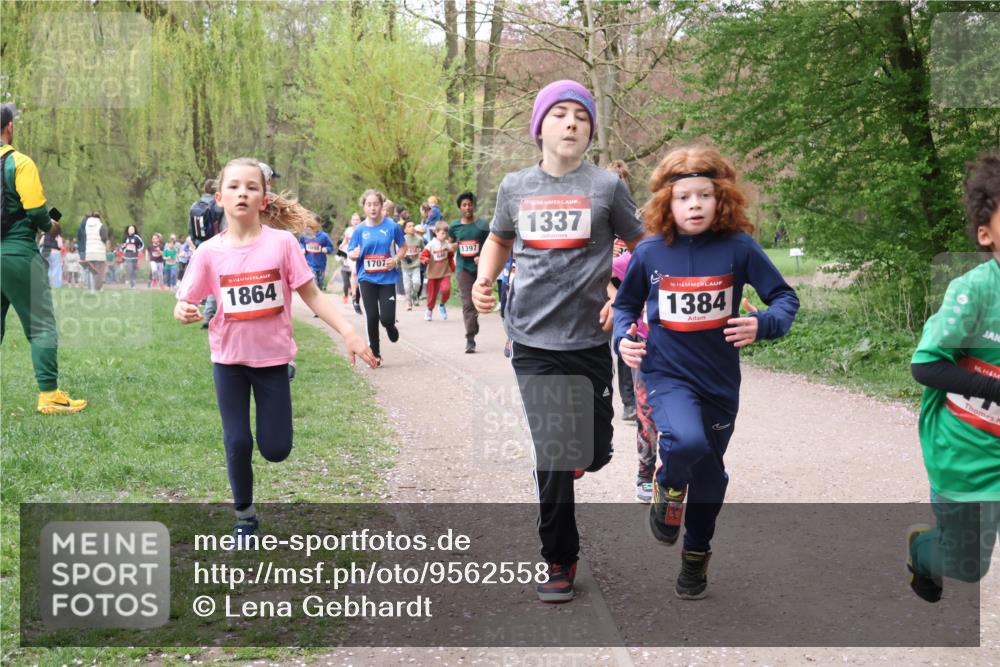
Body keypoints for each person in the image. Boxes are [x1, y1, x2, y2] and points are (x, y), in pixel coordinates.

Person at [471, 80, 645, 602]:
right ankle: (559, 559)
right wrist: (484, 279)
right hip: (531, 338)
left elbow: (643, 248)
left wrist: (625, 298)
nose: (570, 123)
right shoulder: (514, 186)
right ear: (540, 126)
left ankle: (581, 454)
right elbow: (500, 239)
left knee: (592, 454)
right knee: (552, 451)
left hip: (589, 339)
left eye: (581, 117)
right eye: (560, 114)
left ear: (590, 131)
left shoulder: (607, 188)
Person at [614, 146, 799, 600]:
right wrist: (624, 337)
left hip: (719, 381)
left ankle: (696, 557)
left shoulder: (739, 248)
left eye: (703, 196)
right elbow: (623, 305)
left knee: (712, 475)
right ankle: (668, 484)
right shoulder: (652, 251)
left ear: (722, 199)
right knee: (686, 442)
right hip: (666, 373)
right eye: (683, 198)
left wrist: (763, 324)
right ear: (666, 204)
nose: (694, 205)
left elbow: (785, 299)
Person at [175, 157, 375, 539]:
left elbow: (312, 295)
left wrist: (348, 331)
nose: (242, 193)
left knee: (276, 449)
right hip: (228, 361)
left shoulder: (282, 244)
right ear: (219, 198)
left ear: (264, 200)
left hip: (271, 361)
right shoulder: (208, 254)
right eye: (233, 186)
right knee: (236, 440)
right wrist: (182, 310)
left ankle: (286, 372)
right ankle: (244, 517)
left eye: (251, 187)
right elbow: (185, 300)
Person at [907, 151, 1000, 604]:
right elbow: (925, 366)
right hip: (966, 452)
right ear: (986, 236)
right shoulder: (975, 291)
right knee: (967, 566)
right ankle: (926, 551)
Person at [0, 102, 87, 413]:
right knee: (41, 325)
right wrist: (50, 224)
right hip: (17, 252)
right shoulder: (19, 163)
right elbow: (37, 211)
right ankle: (49, 395)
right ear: (9, 127)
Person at [611, 246, 656, 503]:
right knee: (648, 416)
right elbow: (601, 268)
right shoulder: (641, 254)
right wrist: (614, 299)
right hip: (647, 347)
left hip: (691, 351)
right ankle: (645, 475)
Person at [347, 189, 407, 367]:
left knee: (386, 318)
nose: (373, 208)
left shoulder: (392, 226)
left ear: (382, 206)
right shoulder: (359, 230)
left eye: (376, 204)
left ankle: (390, 326)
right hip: (367, 278)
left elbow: (403, 247)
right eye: (369, 204)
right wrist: (353, 254)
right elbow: (350, 252)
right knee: (371, 316)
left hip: (387, 278)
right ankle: (376, 353)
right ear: (364, 207)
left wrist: (395, 259)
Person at [606, 161, 638, 421]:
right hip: (601, 292)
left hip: (631, 292)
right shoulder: (597, 218)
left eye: (621, 182)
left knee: (628, 341)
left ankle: (630, 402)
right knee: (601, 349)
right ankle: (604, 395)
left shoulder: (636, 217)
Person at [449, 192, 491, 353]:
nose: (467, 207)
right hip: (463, 268)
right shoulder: (454, 226)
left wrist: (482, 256)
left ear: (474, 206)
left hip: (480, 268)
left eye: (470, 204)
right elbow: (451, 242)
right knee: (467, 303)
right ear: (460, 208)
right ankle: (470, 339)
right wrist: (450, 247)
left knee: (476, 303)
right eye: (464, 205)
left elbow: (491, 244)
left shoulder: (482, 225)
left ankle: (472, 324)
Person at [190, 178, 226, 326]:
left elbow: (190, 229)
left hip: (200, 244)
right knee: (217, 279)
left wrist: (196, 243)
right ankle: (210, 314)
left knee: (208, 278)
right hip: (216, 245)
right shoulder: (218, 205)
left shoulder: (195, 205)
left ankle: (206, 313)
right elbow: (224, 225)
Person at [420, 221, 455, 321]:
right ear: (436, 232)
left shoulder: (447, 244)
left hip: (445, 273)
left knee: (446, 290)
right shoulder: (430, 245)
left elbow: (450, 256)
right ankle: (429, 310)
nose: (444, 236)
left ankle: (442, 305)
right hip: (433, 275)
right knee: (432, 295)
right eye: (442, 233)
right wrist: (425, 260)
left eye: (445, 233)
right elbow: (423, 256)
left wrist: (452, 266)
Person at [299, 216, 334, 290]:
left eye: (314, 223)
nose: (311, 224)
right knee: (313, 284)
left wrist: (327, 249)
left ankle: (318, 294)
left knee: (319, 285)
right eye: (310, 222)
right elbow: (300, 243)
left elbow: (331, 248)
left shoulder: (324, 236)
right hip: (309, 263)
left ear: (319, 224)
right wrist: (302, 248)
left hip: (321, 265)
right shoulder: (305, 235)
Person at [77, 210, 109, 292]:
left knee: (91, 270)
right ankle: (97, 288)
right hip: (99, 252)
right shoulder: (101, 226)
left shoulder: (86, 226)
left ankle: (90, 286)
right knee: (99, 271)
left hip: (89, 251)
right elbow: (104, 237)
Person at [400, 218, 425, 310]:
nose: (412, 227)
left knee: (417, 283)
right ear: (405, 230)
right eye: (409, 226)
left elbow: (424, 250)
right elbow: (398, 251)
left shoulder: (419, 239)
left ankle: (414, 295)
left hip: (416, 265)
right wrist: (403, 256)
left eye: (413, 225)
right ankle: (409, 302)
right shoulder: (402, 240)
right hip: (405, 266)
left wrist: (421, 255)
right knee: (407, 287)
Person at [39, 209, 63, 288]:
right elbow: (60, 244)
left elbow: (41, 242)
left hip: (45, 251)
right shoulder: (57, 228)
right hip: (55, 252)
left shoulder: (45, 227)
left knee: (47, 269)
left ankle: (47, 284)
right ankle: (55, 286)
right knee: (56, 269)